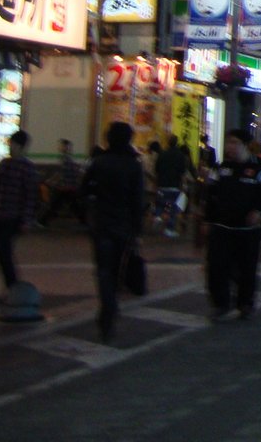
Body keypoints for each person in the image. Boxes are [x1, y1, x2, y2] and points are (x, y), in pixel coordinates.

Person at [81, 122, 145, 343]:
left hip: (101, 224)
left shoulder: (99, 162)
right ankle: (110, 307)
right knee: (117, 269)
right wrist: (137, 230)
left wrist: (89, 212)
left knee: (103, 269)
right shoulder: (134, 165)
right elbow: (138, 200)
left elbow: (84, 190)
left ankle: (107, 309)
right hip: (124, 225)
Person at [203, 129, 261, 321]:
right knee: (217, 267)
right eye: (228, 143)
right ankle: (221, 304)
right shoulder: (221, 168)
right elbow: (210, 195)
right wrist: (207, 220)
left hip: (248, 230)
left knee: (247, 268)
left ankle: (245, 302)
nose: (230, 147)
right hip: (222, 227)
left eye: (234, 143)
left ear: (245, 145)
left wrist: (259, 212)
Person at [0, 131, 38, 293]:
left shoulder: (23, 167)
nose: (10, 147)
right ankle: (11, 284)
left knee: (4, 250)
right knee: (2, 250)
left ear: (20, 146)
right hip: (1, 213)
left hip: (11, 215)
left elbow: (30, 196)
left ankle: (12, 285)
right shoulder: (6, 164)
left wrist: (26, 219)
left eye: (12, 144)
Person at [153, 136, 194, 238]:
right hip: (175, 185)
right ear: (176, 143)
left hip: (162, 184)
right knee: (173, 208)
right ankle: (169, 229)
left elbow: (156, 169)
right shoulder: (180, 156)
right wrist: (183, 185)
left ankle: (158, 216)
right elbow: (182, 172)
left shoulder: (162, 154)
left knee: (160, 202)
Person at [40, 140, 84, 227]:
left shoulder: (65, 160)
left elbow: (61, 174)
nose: (59, 147)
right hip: (69, 187)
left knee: (55, 204)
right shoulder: (68, 159)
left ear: (66, 148)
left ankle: (42, 221)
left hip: (65, 187)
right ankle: (84, 221)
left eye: (62, 146)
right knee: (73, 206)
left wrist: (51, 182)